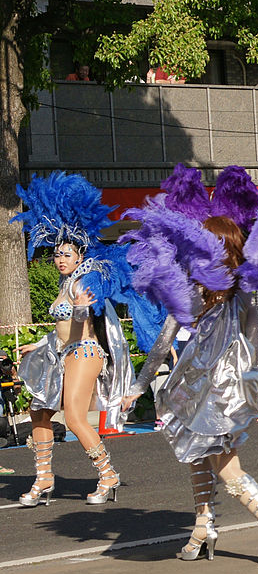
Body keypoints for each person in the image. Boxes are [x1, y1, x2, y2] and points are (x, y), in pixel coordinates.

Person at [123, 164, 258, 567]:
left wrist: (139, 385)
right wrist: (139, 386)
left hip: (223, 388)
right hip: (203, 384)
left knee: (224, 462)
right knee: (196, 454)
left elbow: (176, 340)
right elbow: (166, 339)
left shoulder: (236, 292)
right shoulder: (209, 291)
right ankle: (203, 526)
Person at [11, 172, 158, 507]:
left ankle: (108, 475)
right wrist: (43, 343)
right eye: (56, 254)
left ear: (80, 254)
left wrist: (80, 307)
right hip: (61, 352)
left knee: (75, 417)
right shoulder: (67, 283)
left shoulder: (85, 280)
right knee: (39, 412)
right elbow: (63, 328)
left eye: (66, 254)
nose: (60, 259)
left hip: (86, 352)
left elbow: (82, 320)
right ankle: (44, 478)